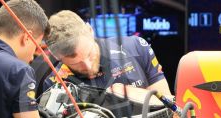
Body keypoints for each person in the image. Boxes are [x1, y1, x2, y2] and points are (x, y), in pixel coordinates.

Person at [41, 10, 172, 104]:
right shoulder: (54, 82)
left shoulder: (136, 47)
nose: (88, 66)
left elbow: (169, 105)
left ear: (90, 30)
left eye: (90, 54)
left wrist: (127, 94)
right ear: (55, 56)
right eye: (76, 64)